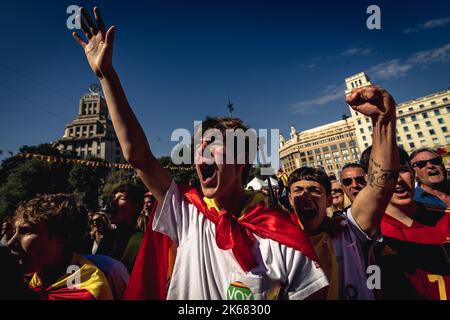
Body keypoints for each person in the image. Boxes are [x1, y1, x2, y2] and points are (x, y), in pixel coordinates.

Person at [72, 7, 328, 300]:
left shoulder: (283, 235)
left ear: (241, 158)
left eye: (212, 143)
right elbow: (138, 156)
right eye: (198, 147)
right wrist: (107, 76)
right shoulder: (188, 212)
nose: (200, 152)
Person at [288, 85, 399, 299]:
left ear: (329, 199)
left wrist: (383, 121)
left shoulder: (349, 229)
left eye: (314, 191)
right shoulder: (278, 242)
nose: (306, 196)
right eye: (298, 190)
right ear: (290, 199)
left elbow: (379, 187)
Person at [376, 148, 450, 300]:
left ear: (412, 173)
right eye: (387, 173)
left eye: (402, 170)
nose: (397, 180)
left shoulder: (445, 218)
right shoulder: (367, 235)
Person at [7, 194, 113, 300]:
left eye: (25, 231)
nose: (11, 243)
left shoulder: (88, 292)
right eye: (14, 231)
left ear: (62, 235)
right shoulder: (22, 276)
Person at [109, 184, 145, 273]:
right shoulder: (108, 237)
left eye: (122, 198)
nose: (114, 201)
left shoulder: (141, 241)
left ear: (134, 208)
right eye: (114, 197)